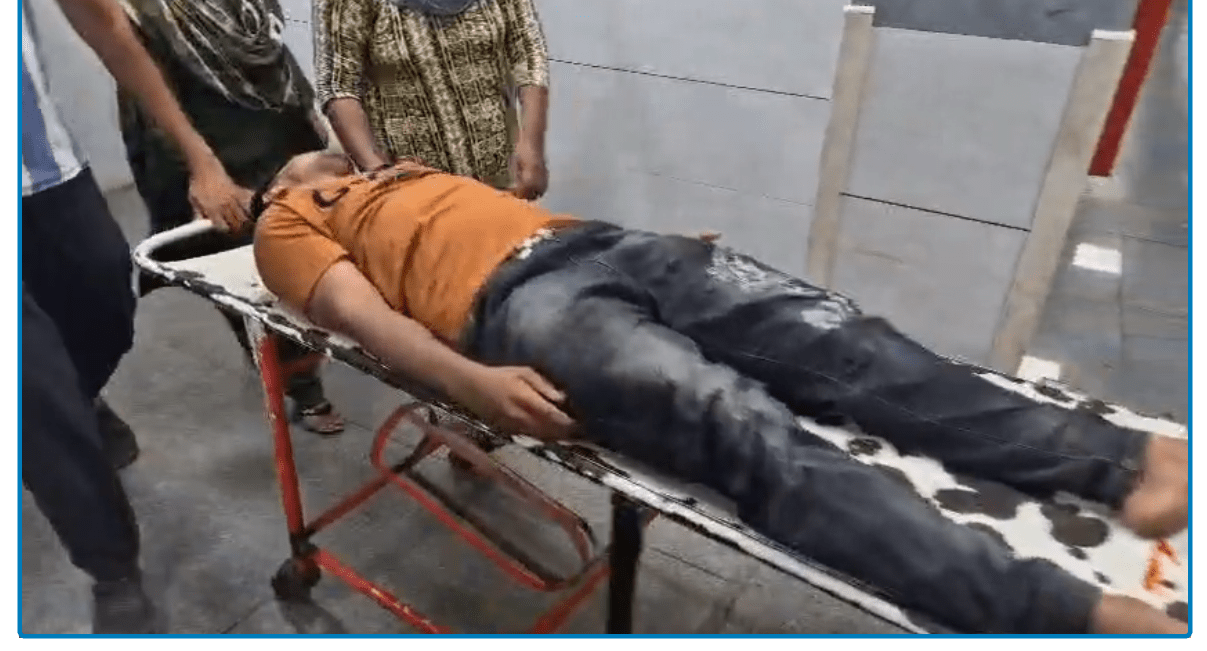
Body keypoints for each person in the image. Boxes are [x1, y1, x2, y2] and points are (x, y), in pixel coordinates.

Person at [248, 151, 1189, 635]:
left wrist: (667, 253)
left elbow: (517, 216)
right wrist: (473, 385)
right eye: (296, 165)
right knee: (741, 425)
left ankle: (1121, 459)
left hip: (611, 244)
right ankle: (1054, 611)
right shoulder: (284, 222)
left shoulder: (398, 173)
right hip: (520, 306)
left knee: (853, 347)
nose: (314, 161)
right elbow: (365, 318)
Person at [21, 0, 268, 633]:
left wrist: (199, 156)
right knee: (33, 392)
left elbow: (105, 24)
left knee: (107, 303)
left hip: (47, 176)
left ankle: (82, 397)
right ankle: (112, 568)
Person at [115, 0, 344, 435]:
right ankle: (300, 385)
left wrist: (309, 115)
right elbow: (146, 92)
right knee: (243, 267)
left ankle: (298, 355)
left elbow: (272, 50)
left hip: (274, 126)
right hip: (203, 143)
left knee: (308, 243)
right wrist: (201, 169)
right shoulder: (140, 10)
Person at [315, 0, 551, 199]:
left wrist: (532, 146)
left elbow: (528, 51)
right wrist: (379, 173)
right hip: (415, 195)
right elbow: (338, 86)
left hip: (500, 182)